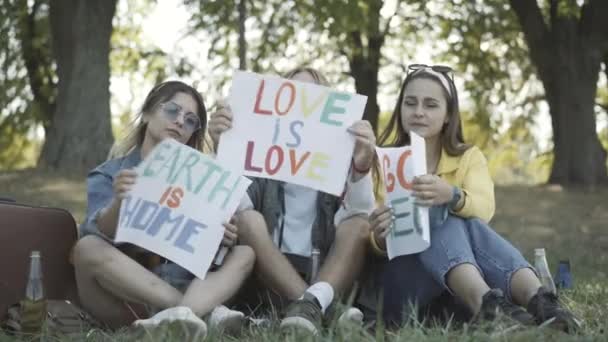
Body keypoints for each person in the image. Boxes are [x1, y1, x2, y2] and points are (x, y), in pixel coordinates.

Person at [369, 64, 580, 332]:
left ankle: (541, 301)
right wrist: (377, 234)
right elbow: (365, 236)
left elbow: (484, 210)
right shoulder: (383, 161)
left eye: (431, 104)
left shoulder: (467, 158)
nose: (419, 112)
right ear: (401, 110)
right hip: (401, 288)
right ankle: (491, 305)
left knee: (457, 214)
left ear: (448, 115)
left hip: (454, 293)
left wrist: (453, 195)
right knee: (440, 216)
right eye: (410, 103)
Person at [73, 81, 255, 338]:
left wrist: (223, 237)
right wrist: (120, 202)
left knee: (244, 253)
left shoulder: (204, 180)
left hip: (191, 287)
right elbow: (98, 231)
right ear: (147, 113)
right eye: (172, 111)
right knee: (86, 248)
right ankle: (195, 313)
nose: (180, 121)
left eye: (191, 120)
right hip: (126, 299)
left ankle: (182, 315)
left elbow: (206, 253)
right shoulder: (110, 173)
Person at [208, 67, 376, 335]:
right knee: (248, 219)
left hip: (327, 276)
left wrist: (362, 167)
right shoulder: (260, 160)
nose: (300, 105)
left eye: (310, 97)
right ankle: (320, 311)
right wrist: (224, 150)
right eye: (294, 95)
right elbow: (237, 208)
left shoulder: (340, 161)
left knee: (358, 225)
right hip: (269, 281)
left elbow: (362, 214)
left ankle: (309, 306)